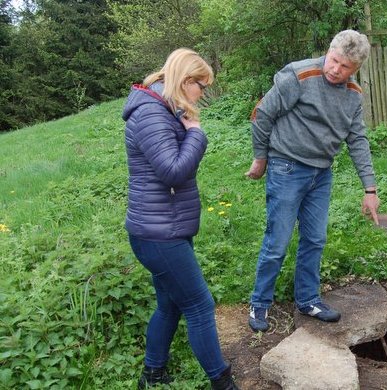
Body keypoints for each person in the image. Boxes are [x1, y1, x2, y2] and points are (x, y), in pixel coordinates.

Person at [245, 30, 380, 332]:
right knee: (277, 241)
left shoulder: (353, 95)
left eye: (345, 67)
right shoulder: (299, 75)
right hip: (286, 167)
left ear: (355, 69)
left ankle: (307, 300)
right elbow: (262, 114)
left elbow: (357, 139)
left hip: (321, 174)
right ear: (328, 51)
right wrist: (260, 157)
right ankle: (259, 302)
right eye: (334, 61)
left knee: (315, 239)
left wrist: (370, 188)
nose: (335, 69)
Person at [122, 48, 238, 390]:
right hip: (159, 235)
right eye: (202, 85)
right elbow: (173, 172)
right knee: (199, 305)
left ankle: (153, 373)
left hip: (164, 227)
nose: (203, 93)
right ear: (186, 81)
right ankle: (223, 383)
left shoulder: (161, 107)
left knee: (171, 303)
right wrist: (196, 133)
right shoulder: (151, 114)